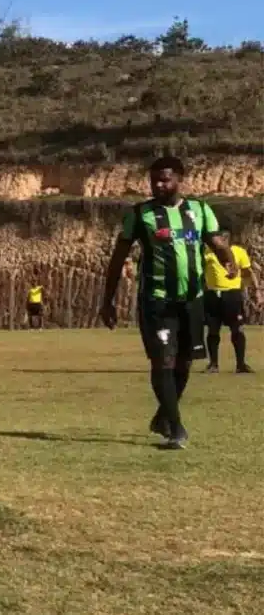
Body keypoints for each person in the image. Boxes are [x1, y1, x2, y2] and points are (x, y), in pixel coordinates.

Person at [100, 156, 236, 450]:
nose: (159, 186)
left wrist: (229, 261)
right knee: (163, 361)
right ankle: (176, 428)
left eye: (165, 180)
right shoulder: (140, 214)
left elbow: (215, 241)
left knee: (184, 362)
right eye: (154, 181)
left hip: (192, 301)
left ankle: (164, 415)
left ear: (180, 180)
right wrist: (107, 299)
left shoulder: (199, 211)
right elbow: (118, 258)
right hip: (157, 302)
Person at [204, 225, 258, 373]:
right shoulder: (207, 253)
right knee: (213, 331)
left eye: (224, 238)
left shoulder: (239, 252)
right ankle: (213, 364)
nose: (221, 241)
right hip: (213, 295)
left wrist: (253, 290)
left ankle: (241, 364)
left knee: (238, 330)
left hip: (232, 295)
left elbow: (247, 272)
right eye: (219, 239)